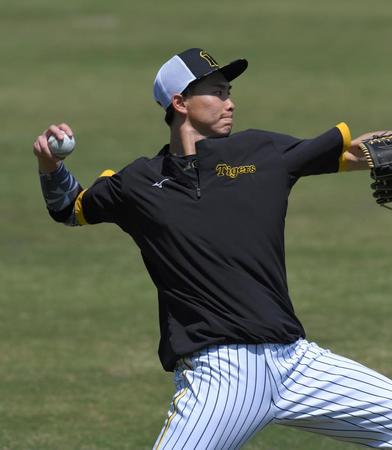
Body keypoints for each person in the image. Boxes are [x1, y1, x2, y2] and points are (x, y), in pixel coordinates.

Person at [34, 48, 392, 449]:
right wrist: (50, 166)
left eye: (229, 91)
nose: (230, 102)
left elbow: (353, 151)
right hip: (222, 374)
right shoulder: (137, 183)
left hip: (298, 363)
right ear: (180, 102)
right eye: (218, 92)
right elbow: (70, 209)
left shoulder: (262, 152)